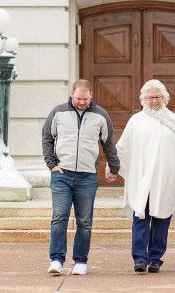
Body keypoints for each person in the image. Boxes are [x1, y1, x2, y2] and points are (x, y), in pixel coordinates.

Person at [115, 80, 175, 274]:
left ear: (164, 98)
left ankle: (155, 258)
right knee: (140, 217)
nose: (154, 101)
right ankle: (140, 258)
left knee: (162, 218)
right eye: (150, 98)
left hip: (165, 176)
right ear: (144, 99)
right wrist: (114, 166)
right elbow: (123, 146)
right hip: (142, 177)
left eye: (157, 97)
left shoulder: (172, 119)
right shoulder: (136, 120)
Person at [41, 79, 120, 276]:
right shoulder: (58, 112)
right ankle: (57, 260)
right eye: (78, 98)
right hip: (62, 175)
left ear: (91, 95)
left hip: (87, 177)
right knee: (59, 217)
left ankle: (80, 261)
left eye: (85, 99)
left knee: (85, 221)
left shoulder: (100, 115)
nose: (81, 102)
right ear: (71, 94)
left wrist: (114, 167)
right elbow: (46, 137)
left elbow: (108, 143)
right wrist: (51, 164)